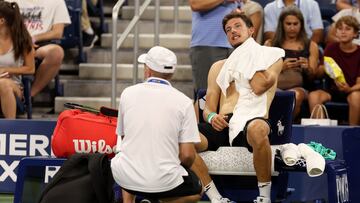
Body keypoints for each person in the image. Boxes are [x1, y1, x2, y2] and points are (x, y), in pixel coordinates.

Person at [191, 12, 284, 203]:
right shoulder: (218, 67)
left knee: (257, 129)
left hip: (252, 120)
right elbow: (208, 108)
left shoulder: (272, 56)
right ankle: (215, 197)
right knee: (181, 140)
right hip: (223, 124)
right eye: (228, 29)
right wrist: (211, 117)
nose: (232, 31)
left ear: (251, 30)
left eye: (237, 26)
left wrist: (250, 55)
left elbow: (259, 87)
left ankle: (264, 198)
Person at [111, 46, 202, 203]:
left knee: (128, 154)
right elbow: (187, 155)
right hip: (165, 182)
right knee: (196, 191)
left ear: (148, 70)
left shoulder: (127, 93)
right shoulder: (185, 102)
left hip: (126, 178)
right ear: (171, 73)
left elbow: (126, 139)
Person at [264, 6, 319, 118]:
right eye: (288, 24)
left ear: (301, 25)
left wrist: (307, 68)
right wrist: (281, 67)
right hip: (274, 86)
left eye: (295, 24)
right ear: (282, 25)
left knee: (295, 95)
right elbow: (262, 73)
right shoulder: (270, 44)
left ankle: (285, 128)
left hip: (300, 87)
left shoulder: (311, 45)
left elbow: (313, 75)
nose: (292, 27)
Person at [10, 0, 71, 97]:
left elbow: (57, 32)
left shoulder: (57, 2)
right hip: (12, 42)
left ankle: (29, 96)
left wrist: (32, 39)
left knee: (56, 53)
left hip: (39, 43)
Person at [308, 16, 360, 125]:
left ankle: (352, 132)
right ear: (336, 32)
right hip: (333, 90)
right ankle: (319, 133)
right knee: (313, 96)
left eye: (347, 29)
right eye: (340, 29)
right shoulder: (331, 48)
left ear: (355, 34)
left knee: (356, 96)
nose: (343, 32)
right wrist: (317, 68)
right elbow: (320, 72)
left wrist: (349, 89)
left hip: (353, 90)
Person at [0, 1, 35, 119]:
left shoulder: (22, 39)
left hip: (13, 85)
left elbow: (31, 68)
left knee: (3, 84)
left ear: (1, 21)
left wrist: (7, 70)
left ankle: (10, 128)